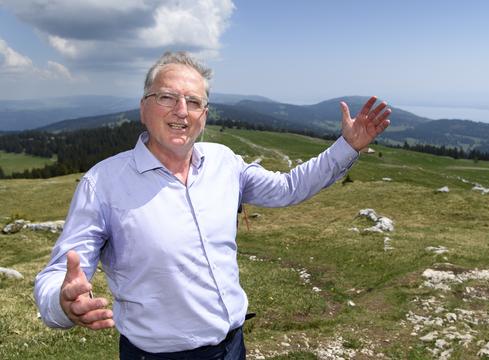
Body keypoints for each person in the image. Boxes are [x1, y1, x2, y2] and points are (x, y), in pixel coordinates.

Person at [34, 51, 391, 359]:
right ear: (143, 108)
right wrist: (63, 304)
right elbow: (56, 276)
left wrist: (346, 146)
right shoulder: (104, 184)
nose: (181, 111)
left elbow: (287, 187)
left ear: (205, 115)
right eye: (166, 98)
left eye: (194, 102)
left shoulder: (225, 163)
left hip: (233, 347)